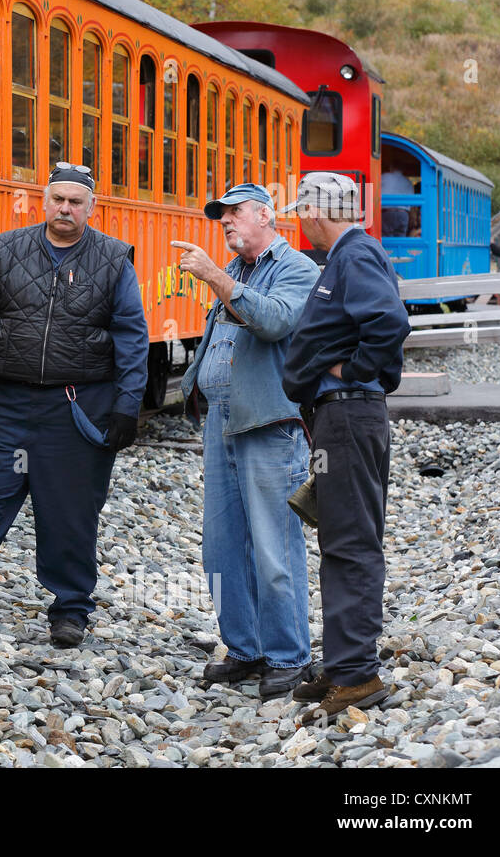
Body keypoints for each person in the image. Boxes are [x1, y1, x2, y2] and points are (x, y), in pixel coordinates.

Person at [0, 162, 149, 648]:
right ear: (45, 200)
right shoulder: (9, 248)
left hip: (77, 408)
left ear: (91, 208)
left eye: (76, 202)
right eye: (58, 198)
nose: (65, 208)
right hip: (8, 402)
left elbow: (132, 338)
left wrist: (127, 405)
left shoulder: (115, 259)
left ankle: (71, 609)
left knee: (71, 511)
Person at [174, 182, 322, 699]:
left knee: (274, 545)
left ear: (266, 215)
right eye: (222, 215)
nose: (226, 222)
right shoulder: (236, 271)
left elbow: (276, 322)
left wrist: (214, 276)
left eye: (235, 212)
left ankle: (288, 656)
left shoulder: (298, 268)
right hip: (223, 419)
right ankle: (245, 647)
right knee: (220, 545)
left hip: (270, 424)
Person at [280, 172, 411, 724]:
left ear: (316, 209)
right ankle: (343, 663)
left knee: (351, 542)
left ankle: (357, 676)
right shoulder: (352, 253)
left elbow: (389, 323)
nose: (298, 221)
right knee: (340, 539)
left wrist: (352, 371)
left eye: (301, 211)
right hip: (341, 416)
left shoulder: (353, 256)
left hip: (348, 414)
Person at [380, 168, 415, 238]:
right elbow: (412, 199)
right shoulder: (408, 181)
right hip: (403, 213)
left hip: (387, 212)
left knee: (386, 238)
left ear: (391, 167)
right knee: (400, 236)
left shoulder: (384, 176)